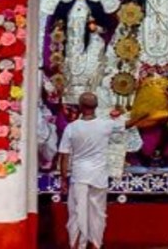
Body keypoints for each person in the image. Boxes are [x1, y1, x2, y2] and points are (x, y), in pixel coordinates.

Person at [58, 92, 123, 249]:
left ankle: (76, 245)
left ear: (80, 107)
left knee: (77, 213)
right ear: (96, 106)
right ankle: (95, 245)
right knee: (98, 213)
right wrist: (118, 116)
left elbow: (64, 156)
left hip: (79, 175)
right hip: (99, 176)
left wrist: (64, 179)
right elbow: (130, 123)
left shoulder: (71, 128)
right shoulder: (106, 124)